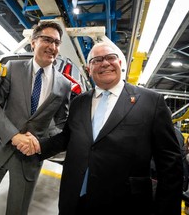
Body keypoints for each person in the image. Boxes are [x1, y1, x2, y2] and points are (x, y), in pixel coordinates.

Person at [19, 42, 183, 215]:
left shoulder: (151, 101)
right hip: (75, 197)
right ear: (89, 69)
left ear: (120, 64)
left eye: (111, 57)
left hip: (125, 202)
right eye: (97, 60)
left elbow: (170, 163)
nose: (104, 63)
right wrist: (38, 145)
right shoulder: (79, 102)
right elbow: (67, 137)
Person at [0, 21, 71, 215]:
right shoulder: (12, 67)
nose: (52, 47)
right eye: (47, 40)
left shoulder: (64, 84)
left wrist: (41, 143)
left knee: (17, 211)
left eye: (57, 42)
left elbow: (59, 122)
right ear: (33, 42)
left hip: (30, 157)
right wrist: (14, 136)